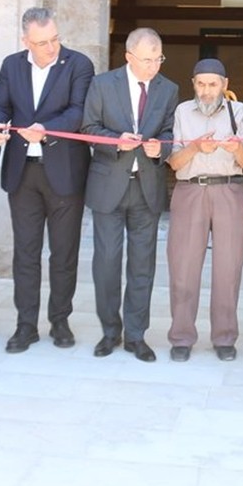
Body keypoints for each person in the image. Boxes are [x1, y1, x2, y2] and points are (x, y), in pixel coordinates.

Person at [0, 8, 94, 353]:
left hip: (64, 172)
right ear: (25, 41)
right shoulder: (12, 65)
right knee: (26, 253)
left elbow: (78, 112)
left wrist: (46, 131)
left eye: (55, 39)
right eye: (42, 42)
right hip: (22, 173)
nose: (51, 48)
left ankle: (60, 321)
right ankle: (25, 325)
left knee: (63, 254)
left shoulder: (79, 64)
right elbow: (1, 107)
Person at [81, 27, 178, 361]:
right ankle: (110, 331)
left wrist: (159, 149)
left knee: (142, 266)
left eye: (158, 59)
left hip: (147, 188)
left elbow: (169, 133)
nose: (154, 66)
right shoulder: (102, 84)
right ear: (129, 57)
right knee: (106, 264)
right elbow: (88, 129)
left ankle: (136, 335)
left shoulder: (169, 89)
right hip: (109, 185)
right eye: (147, 60)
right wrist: (114, 141)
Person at [165, 58, 243, 362]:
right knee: (183, 268)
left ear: (224, 85)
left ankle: (225, 337)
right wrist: (194, 148)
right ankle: (181, 336)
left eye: (212, 84)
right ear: (193, 84)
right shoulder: (181, 112)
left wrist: (235, 149)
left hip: (229, 190)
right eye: (201, 84)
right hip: (190, 191)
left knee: (228, 268)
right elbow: (173, 162)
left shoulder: (238, 111)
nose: (206, 91)